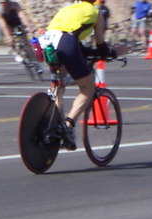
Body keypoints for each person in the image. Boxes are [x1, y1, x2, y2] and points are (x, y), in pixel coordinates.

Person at [39, 0, 116, 150]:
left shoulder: (68, 9)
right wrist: (111, 53)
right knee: (88, 88)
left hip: (47, 41)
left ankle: (55, 125)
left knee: (58, 85)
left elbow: (75, 42)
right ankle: (68, 124)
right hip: (65, 41)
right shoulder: (96, 13)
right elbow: (101, 44)